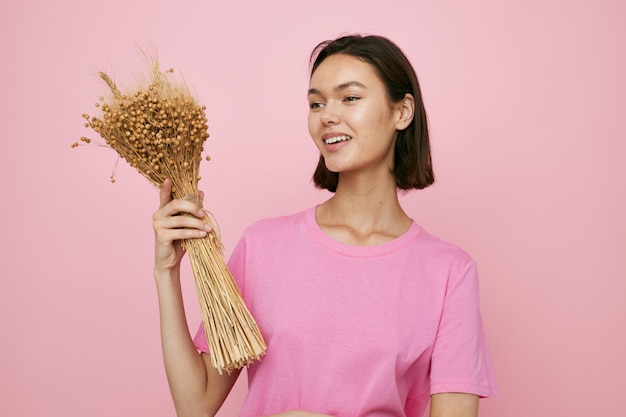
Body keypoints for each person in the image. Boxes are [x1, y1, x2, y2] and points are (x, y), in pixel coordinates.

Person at [152, 34, 498, 417]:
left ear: (402, 112)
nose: (327, 115)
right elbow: (194, 404)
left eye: (350, 98)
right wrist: (167, 272)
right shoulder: (263, 247)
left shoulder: (449, 272)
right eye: (316, 103)